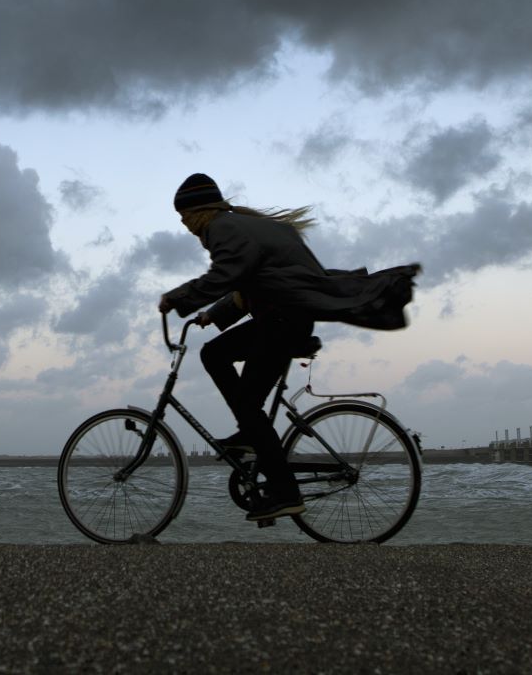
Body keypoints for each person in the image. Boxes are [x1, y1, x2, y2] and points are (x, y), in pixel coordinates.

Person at [157, 172, 419, 523]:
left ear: (199, 210)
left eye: (184, 216)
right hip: (285, 318)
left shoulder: (224, 229)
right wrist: (212, 314)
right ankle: (250, 436)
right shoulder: (247, 227)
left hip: (281, 322)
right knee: (228, 374)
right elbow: (255, 282)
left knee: (235, 387)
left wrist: (177, 298)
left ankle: (285, 492)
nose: (185, 225)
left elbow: (227, 275)